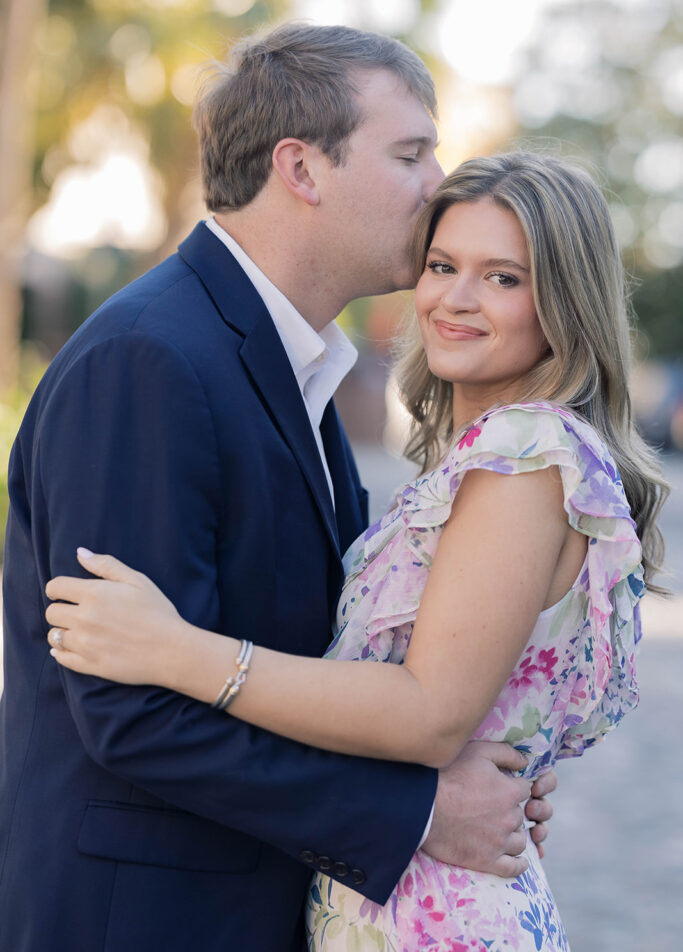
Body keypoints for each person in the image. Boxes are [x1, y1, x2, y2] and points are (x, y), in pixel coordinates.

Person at [0, 26, 555, 952]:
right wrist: (417, 813)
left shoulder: (290, 362)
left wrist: (464, 756)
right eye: (410, 152)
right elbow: (131, 715)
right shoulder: (151, 359)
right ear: (302, 167)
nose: (438, 184)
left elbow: (309, 652)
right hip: (140, 921)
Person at [44, 151, 668, 951]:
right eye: (442, 265)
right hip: (400, 891)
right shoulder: (492, 456)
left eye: (504, 278)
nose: (457, 299)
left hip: (438, 916)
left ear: (564, 302)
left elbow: (429, 716)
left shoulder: (524, 454)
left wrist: (178, 652)